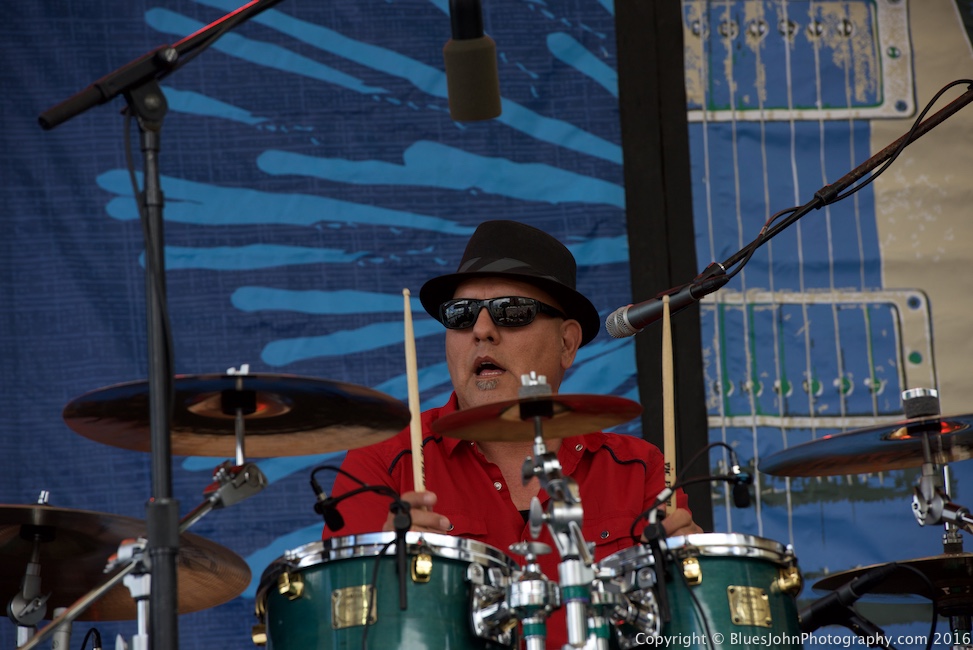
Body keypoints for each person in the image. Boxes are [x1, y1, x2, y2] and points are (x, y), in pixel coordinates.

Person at [325, 219, 702, 646]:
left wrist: (696, 584)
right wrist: (380, 569)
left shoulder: (640, 470)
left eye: (512, 311)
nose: (482, 331)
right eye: (460, 316)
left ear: (567, 343)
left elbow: (684, 631)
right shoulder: (385, 460)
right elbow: (336, 627)